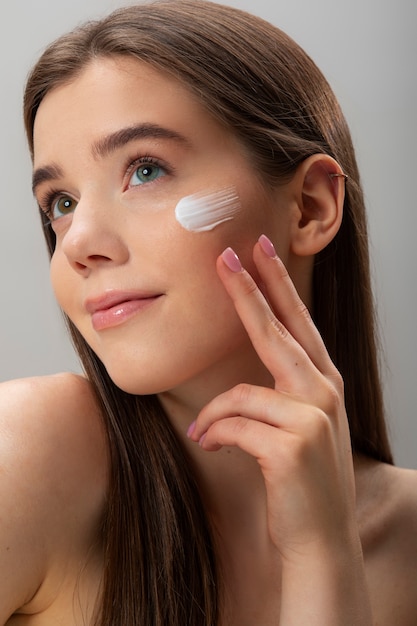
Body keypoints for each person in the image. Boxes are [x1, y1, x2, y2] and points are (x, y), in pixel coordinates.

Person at [1, 0, 416, 623]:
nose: (79, 242)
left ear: (309, 207)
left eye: (144, 170)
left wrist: (321, 556)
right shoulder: (32, 447)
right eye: (59, 203)